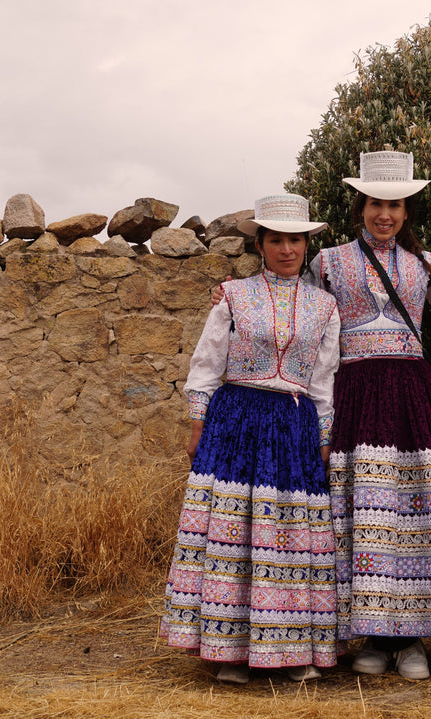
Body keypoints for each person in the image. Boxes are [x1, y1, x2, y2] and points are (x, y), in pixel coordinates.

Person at [159, 193, 341, 685]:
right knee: (234, 530)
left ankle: (292, 648)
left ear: (307, 245)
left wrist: (323, 437)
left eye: (296, 240)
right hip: (236, 419)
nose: (287, 249)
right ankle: (229, 650)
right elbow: (206, 363)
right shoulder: (234, 296)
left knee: (288, 533)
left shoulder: (325, 307)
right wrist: (198, 422)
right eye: (277, 240)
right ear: (261, 244)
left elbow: (324, 379)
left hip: (293, 423)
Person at [311, 151, 431, 680]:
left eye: (395, 204)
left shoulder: (428, 266)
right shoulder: (326, 262)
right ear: (361, 206)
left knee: (413, 512)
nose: (385, 214)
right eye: (376, 203)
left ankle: (412, 639)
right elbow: (300, 318)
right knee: (364, 512)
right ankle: (371, 636)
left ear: (406, 209)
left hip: (411, 397)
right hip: (355, 393)